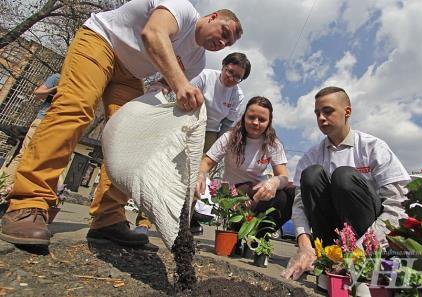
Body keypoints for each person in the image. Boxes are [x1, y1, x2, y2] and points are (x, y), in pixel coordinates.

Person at [0, 0, 243, 247]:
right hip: (101, 42)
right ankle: (28, 203)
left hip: (130, 75)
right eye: (224, 33)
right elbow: (153, 33)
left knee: (132, 141)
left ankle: (108, 218)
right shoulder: (181, 10)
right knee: (74, 110)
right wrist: (181, 84)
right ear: (212, 17)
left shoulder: (196, 62)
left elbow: (162, 85)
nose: (223, 42)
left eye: (229, 42)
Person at [282, 86, 410, 280]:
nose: (321, 118)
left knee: (343, 177)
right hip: (330, 237)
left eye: (328, 111)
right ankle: (325, 256)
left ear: (347, 112)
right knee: (312, 174)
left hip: (366, 239)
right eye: (317, 113)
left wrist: (358, 251)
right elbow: (300, 206)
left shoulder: (373, 148)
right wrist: (305, 246)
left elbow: (398, 205)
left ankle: (363, 264)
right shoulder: (311, 156)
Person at [134, 52, 251, 236]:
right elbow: (183, 100)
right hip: (187, 123)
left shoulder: (237, 94)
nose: (232, 78)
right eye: (230, 72)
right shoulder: (205, 76)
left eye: (238, 77)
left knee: (196, 180)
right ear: (223, 65)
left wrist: (215, 152)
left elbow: (227, 125)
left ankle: (181, 227)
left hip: (211, 133)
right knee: (164, 171)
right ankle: (144, 222)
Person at [195, 96, 295, 234]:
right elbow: (207, 161)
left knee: (288, 194)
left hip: (257, 193)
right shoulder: (229, 138)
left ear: (269, 122)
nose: (255, 122)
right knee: (245, 187)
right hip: (233, 194)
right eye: (251, 117)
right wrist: (200, 175)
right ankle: (236, 228)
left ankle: (259, 235)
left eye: (262, 120)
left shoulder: (273, 144)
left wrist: (274, 182)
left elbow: (283, 176)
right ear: (244, 117)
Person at [3, 74, 60, 187]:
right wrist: (55, 88)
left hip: (58, 126)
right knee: (24, 154)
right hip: (42, 120)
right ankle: (4, 187)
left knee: (43, 160)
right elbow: (38, 94)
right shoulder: (57, 78)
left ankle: (23, 188)